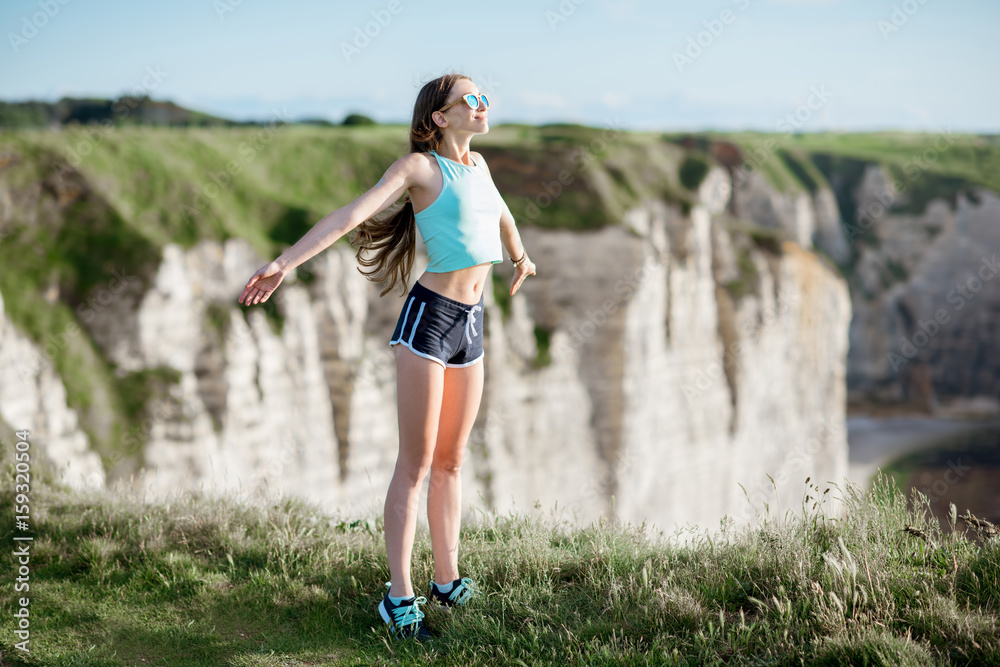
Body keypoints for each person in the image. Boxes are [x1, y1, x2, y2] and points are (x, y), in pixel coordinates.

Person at [238, 72, 536, 642]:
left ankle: (446, 580)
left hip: (472, 324)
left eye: (485, 97)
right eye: (471, 100)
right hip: (428, 323)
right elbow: (350, 215)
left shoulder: (480, 166)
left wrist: (521, 257)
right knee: (416, 464)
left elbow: (501, 213)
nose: (483, 105)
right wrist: (285, 263)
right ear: (438, 118)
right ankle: (398, 597)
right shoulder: (420, 169)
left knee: (452, 461)